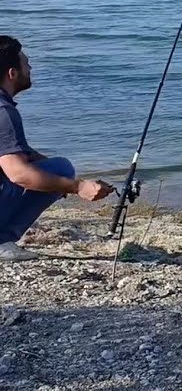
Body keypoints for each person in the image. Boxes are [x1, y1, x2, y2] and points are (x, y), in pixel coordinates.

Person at [0, 36, 114, 262]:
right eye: (26, 63)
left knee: (51, 171)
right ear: (12, 73)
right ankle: (2, 241)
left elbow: (22, 153)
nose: (30, 67)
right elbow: (19, 173)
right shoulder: (3, 112)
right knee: (61, 168)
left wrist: (55, 180)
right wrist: (76, 186)